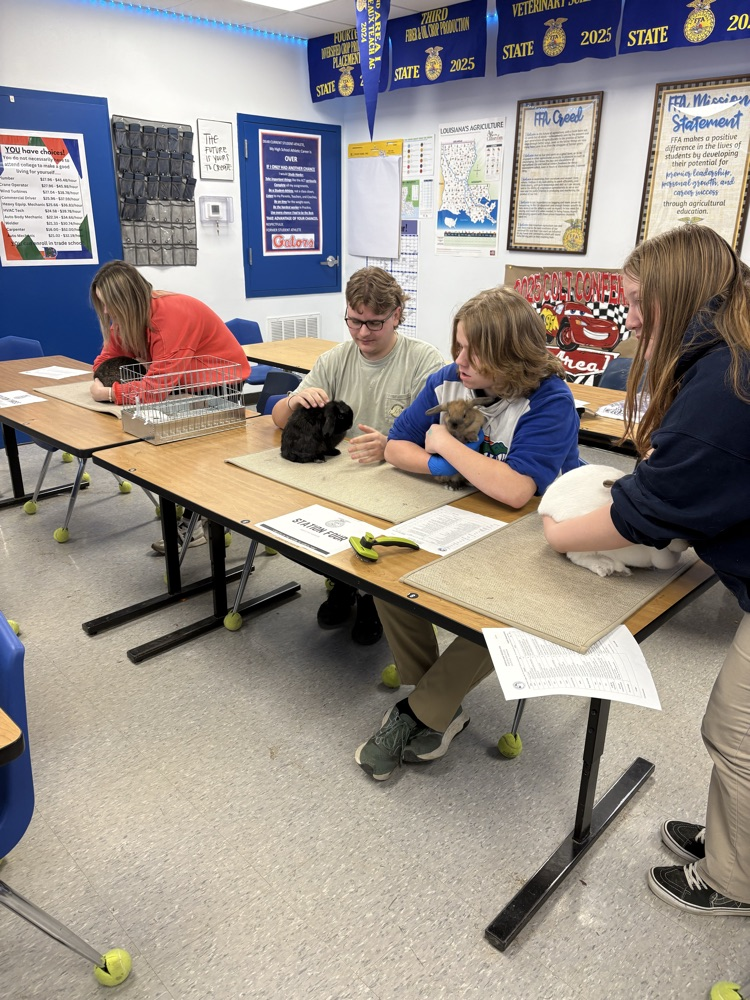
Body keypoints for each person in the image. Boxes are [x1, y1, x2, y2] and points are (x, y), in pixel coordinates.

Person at [541, 225, 750, 917]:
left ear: (679, 295)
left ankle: (733, 881)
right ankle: (730, 846)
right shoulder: (731, 352)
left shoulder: (724, 385)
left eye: (636, 302)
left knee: (735, 733)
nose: (628, 318)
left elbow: (646, 513)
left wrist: (557, 534)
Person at [355, 285, 581, 779]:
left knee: (502, 609)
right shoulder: (446, 380)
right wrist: (445, 462)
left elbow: (518, 489)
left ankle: (419, 712)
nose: (460, 360)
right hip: (467, 517)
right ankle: (439, 705)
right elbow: (396, 448)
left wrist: (445, 446)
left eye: (474, 351)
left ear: (511, 353)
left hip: (535, 538)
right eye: (458, 345)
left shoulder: (550, 400)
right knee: (389, 571)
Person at [271, 266, 444, 645]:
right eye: (354, 321)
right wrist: (292, 400)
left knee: (380, 519)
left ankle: (373, 598)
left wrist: (391, 447)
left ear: (397, 314)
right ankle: (345, 584)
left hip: (399, 477)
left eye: (374, 323)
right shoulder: (335, 359)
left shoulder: (424, 361)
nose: (362, 332)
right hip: (342, 475)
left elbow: (439, 437)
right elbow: (279, 419)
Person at [89, 259, 250, 551]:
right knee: (164, 450)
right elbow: (106, 360)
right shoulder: (130, 318)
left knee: (194, 455)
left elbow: (156, 389)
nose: (106, 312)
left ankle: (197, 521)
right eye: (102, 305)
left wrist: (111, 393)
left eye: (109, 304)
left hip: (217, 384)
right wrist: (109, 380)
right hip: (182, 386)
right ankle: (194, 511)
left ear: (126, 299)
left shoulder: (171, 316)